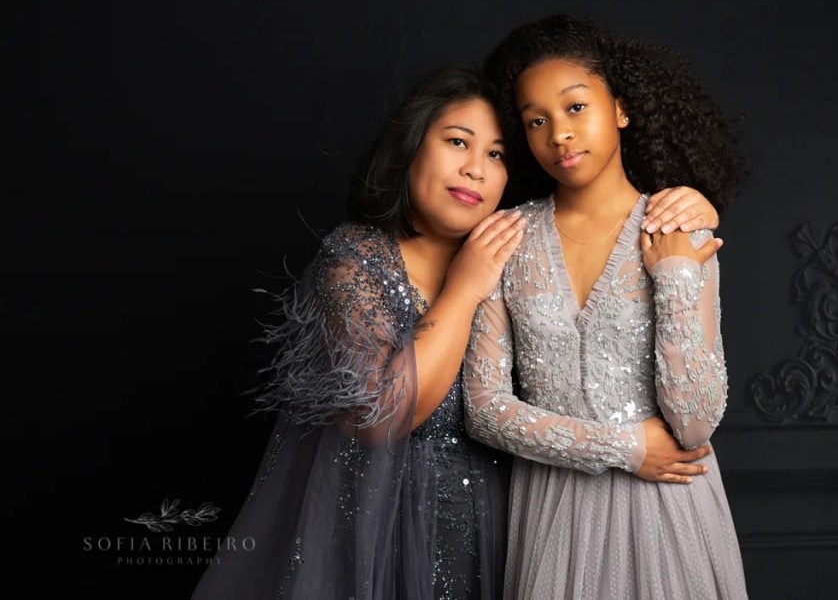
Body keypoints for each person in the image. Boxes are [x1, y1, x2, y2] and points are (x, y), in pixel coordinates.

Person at [192, 61, 723, 599]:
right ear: (412, 146)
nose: (476, 169)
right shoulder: (357, 260)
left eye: (495, 155)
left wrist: (689, 207)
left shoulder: (513, 250)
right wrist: (464, 288)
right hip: (380, 537)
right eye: (457, 142)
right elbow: (382, 418)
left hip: (505, 527)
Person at [463, 14, 749, 599]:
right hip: (553, 511)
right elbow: (484, 410)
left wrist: (672, 273)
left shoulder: (680, 228)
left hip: (669, 511)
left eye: (575, 108)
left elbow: (695, 422)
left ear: (619, 108)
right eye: (536, 121)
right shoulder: (507, 239)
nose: (558, 135)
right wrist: (625, 448)